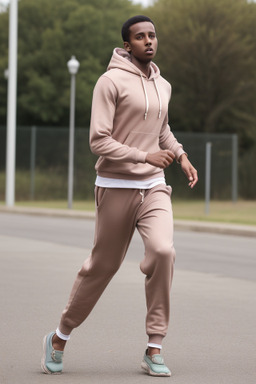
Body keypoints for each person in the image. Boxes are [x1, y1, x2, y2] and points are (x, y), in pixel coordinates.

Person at [41, 15, 198, 377]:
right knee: (103, 266)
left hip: (154, 186)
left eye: (152, 35)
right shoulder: (108, 82)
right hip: (115, 186)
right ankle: (60, 337)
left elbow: (163, 131)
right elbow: (99, 140)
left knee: (162, 251)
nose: (148, 41)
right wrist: (143, 155)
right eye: (140, 37)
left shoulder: (164, 85)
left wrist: (181, 155)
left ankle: (154, 345)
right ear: (127, 45)